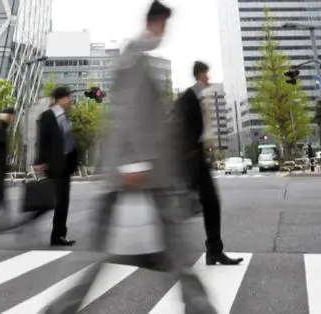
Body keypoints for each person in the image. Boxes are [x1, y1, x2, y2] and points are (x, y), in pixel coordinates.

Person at [43, 2, 215, 313]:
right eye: (164, 25)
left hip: (143, 172)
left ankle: (198, 305)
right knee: (137, 249)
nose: (165, 33)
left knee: (152, 249)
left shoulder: (138, 55)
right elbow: (127, 111)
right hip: (138, 173)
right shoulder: (134, 55)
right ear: (157, 21)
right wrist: (133, 163)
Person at [177, 61, 242, 265]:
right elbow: (181, 128)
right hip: (192, 159)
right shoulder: (189, 97)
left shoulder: (199, 96)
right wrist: (189, 156)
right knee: (207, 204)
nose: (209, 78)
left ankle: (213, 250)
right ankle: (211, 250)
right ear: (199, 74)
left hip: (197, 158)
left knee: (209, 204)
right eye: (206, 74)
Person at [33, 87, 81, 246]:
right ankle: (57, 234)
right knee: (58, 200)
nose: (70, 101)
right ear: (61, 98)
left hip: (65, 165)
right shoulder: (48, 116)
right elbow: (42, 140)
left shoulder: (63, 117)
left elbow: (67, 141)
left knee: (62, 201)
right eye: (68, 97)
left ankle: (58, 234)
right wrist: (41, 161)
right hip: (55, 164)